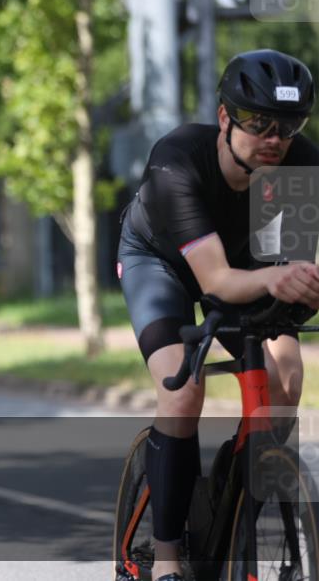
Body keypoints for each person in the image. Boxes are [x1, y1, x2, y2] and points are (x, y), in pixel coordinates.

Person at [117, 49, 319, 581]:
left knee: (287, 377)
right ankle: (165, 561)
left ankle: (235, 522)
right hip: (164, 265)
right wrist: (280, 277)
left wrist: (305, 283)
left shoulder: (296, 165)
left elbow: (284, 263)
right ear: (225, 117)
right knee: (182, 389)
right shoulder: (177, 161)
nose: (275, 137)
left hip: (247, 268)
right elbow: (215, 282)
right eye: (259, 122)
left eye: (289, 125)